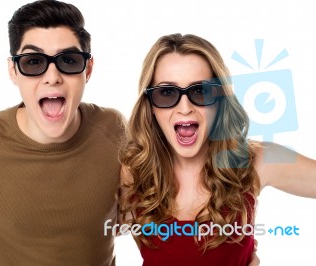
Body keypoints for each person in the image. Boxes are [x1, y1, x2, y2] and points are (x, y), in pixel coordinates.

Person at [0, 0, 126, 265]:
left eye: (68, 60)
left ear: (88, 69)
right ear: (13, 71)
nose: (52, 77)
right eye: (34, 61)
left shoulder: (113, 130)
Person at [119, 33, 316, 265]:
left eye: (201, 91)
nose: (185, 108)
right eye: (167, 93)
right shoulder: (133, 171)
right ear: (150, 105)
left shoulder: (258, 160)